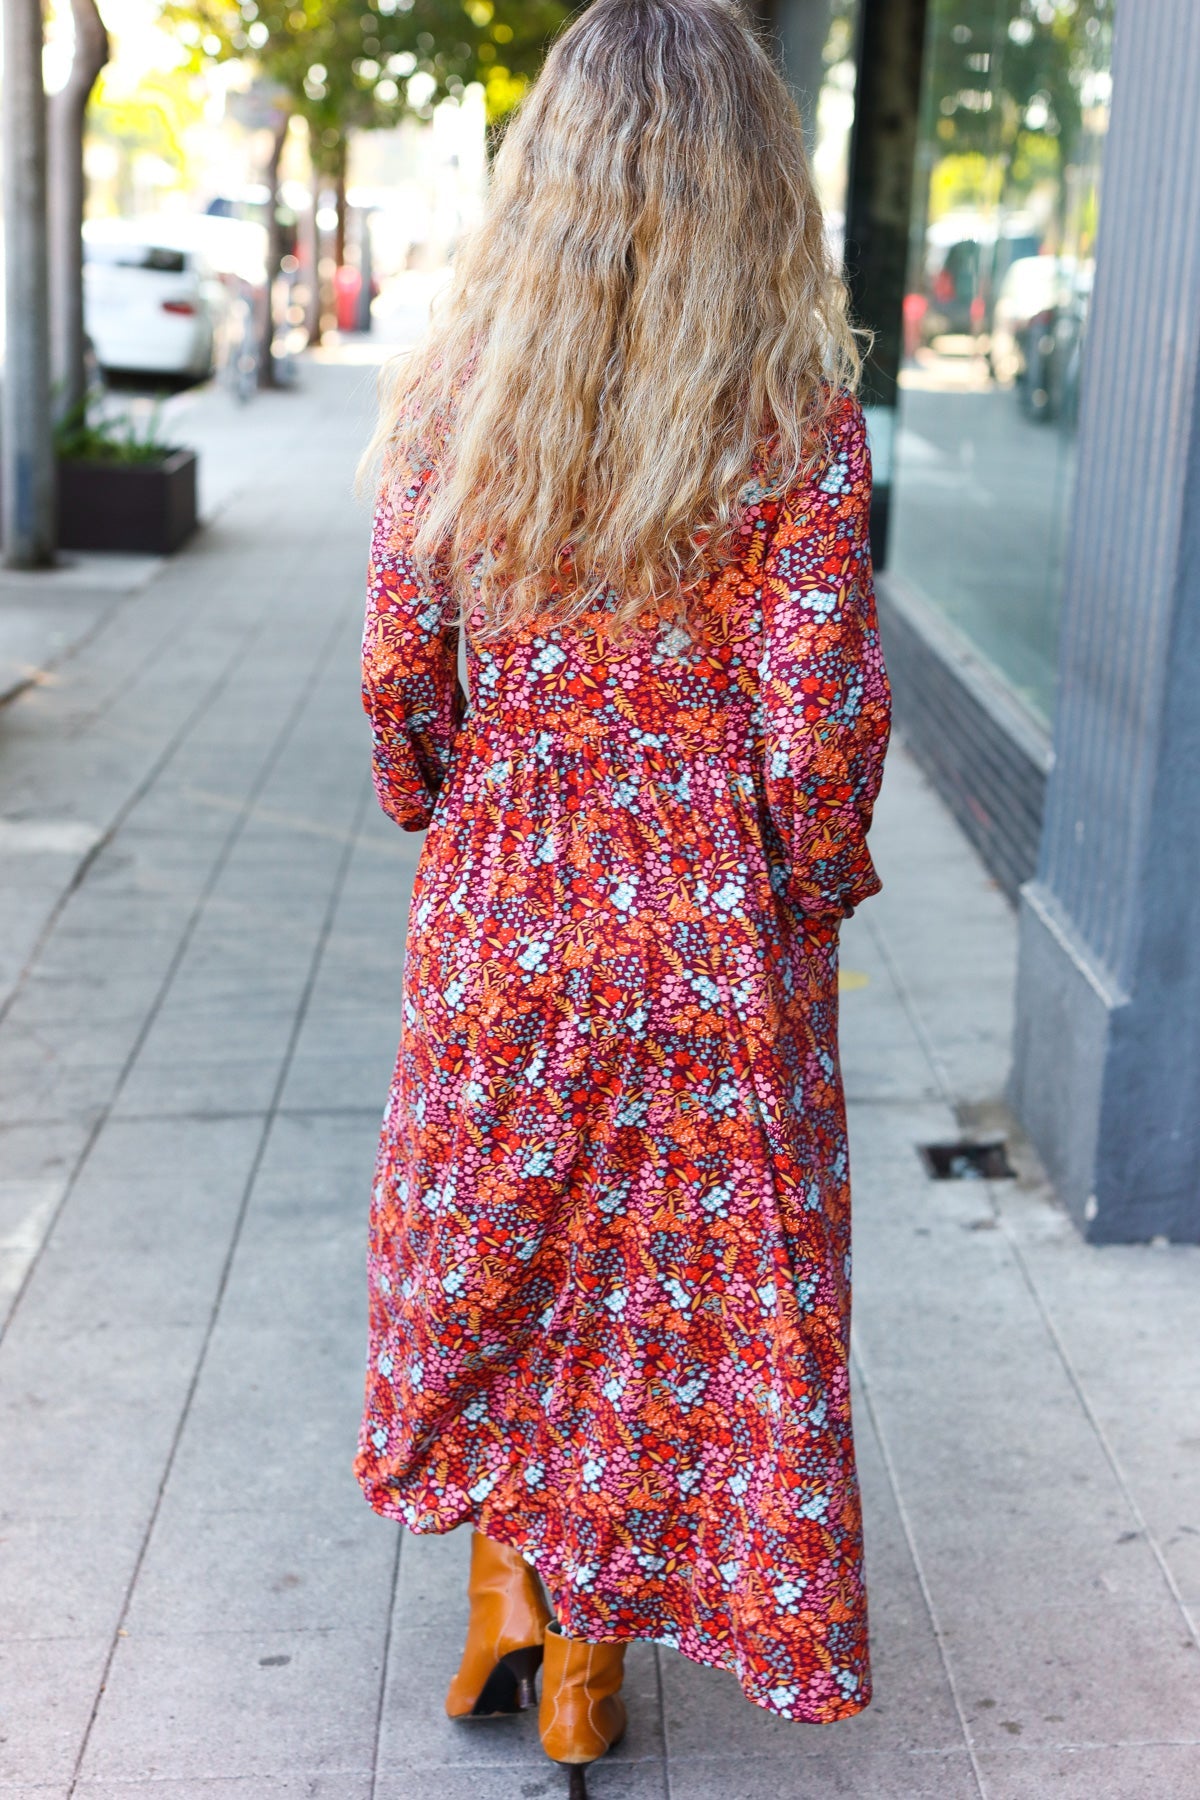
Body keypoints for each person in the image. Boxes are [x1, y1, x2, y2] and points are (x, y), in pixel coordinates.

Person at [354, 0, 892, 1789]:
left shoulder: (454, 397)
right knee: (668, 1292)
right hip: (707, 926)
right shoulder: (791, 420)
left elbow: (400, 680)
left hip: (508, 894)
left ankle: (510, 1588)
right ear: (755, 178)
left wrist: (450, 798)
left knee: (506, 1255)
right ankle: (581, 1651)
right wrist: (811, 885)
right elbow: (818, 723)